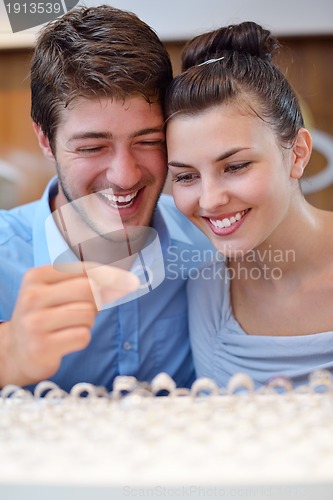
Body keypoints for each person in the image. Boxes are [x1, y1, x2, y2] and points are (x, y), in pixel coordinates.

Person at [0, 5, 214, 392]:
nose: (125, 175)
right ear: (46, 140)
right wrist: (7, 359)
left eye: (148, 141)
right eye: (93, 147)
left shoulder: (213, 242)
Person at [165, 21, 333, 389]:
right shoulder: (205, 291)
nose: (209, 200)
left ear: (298, 154)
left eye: (236, 166)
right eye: (185, 176)